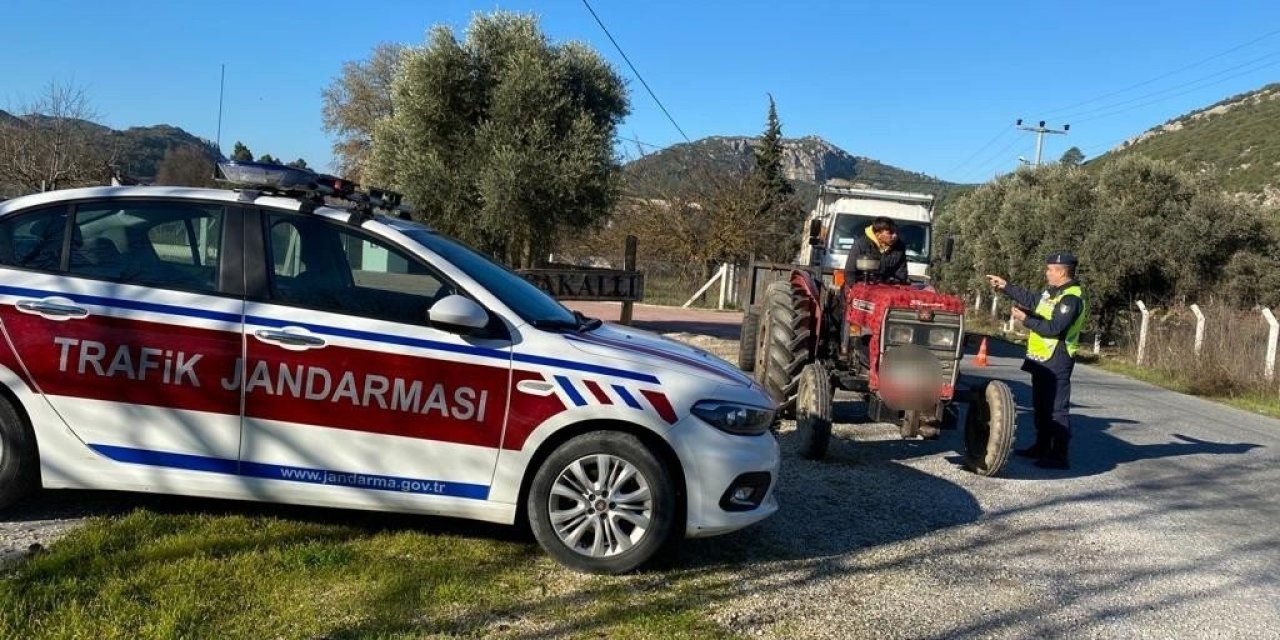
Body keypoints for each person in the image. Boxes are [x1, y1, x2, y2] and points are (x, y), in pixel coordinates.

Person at [986, 252, 1088, 470]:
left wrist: (1026, 319)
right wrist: (1006, 286)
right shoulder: (1052, 292)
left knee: (1056, 408)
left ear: (1061, 272)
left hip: (1057, 357)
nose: (1047, 273)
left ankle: (1059, 456)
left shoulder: (1071, 297)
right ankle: (1041, 446)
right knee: (1041, 405)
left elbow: (1054, 328)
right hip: (1041, 358)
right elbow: (1033, 300)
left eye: (1050, 269)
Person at [843, 216, 909, 285]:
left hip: (885, 289)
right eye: (890, 233)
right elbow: (850, 272)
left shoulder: (900, 247)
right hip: (861, 286)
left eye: (896, 232)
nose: (895, 235)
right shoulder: (860, 244)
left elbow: (901, 275)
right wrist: (856, 290)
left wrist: (896, 283)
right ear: (878, 235)